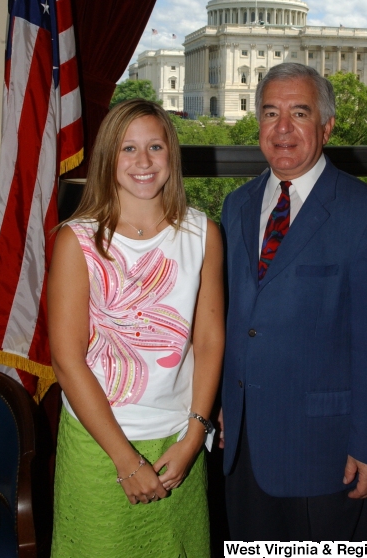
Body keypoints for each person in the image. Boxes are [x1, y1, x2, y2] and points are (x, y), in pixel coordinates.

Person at [220, 63, 367, 542]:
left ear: (325, 127)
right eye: (269, 113)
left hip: (326, 455)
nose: (282, 128)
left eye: (299, 113)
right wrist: (221, 404)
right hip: (243, 445)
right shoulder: (235, 205)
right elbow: (234, 319)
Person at [48, 99, 224, 557]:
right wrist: (126, 461)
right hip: (100, 444)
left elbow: (207, 341)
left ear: (172, 156)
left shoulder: (203, 233)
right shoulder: (78, 240)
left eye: (154, 147)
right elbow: (67, 362)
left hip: (177, 442)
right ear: (109, 158)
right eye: (128, 148)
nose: (143, 161)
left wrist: (194, 437)